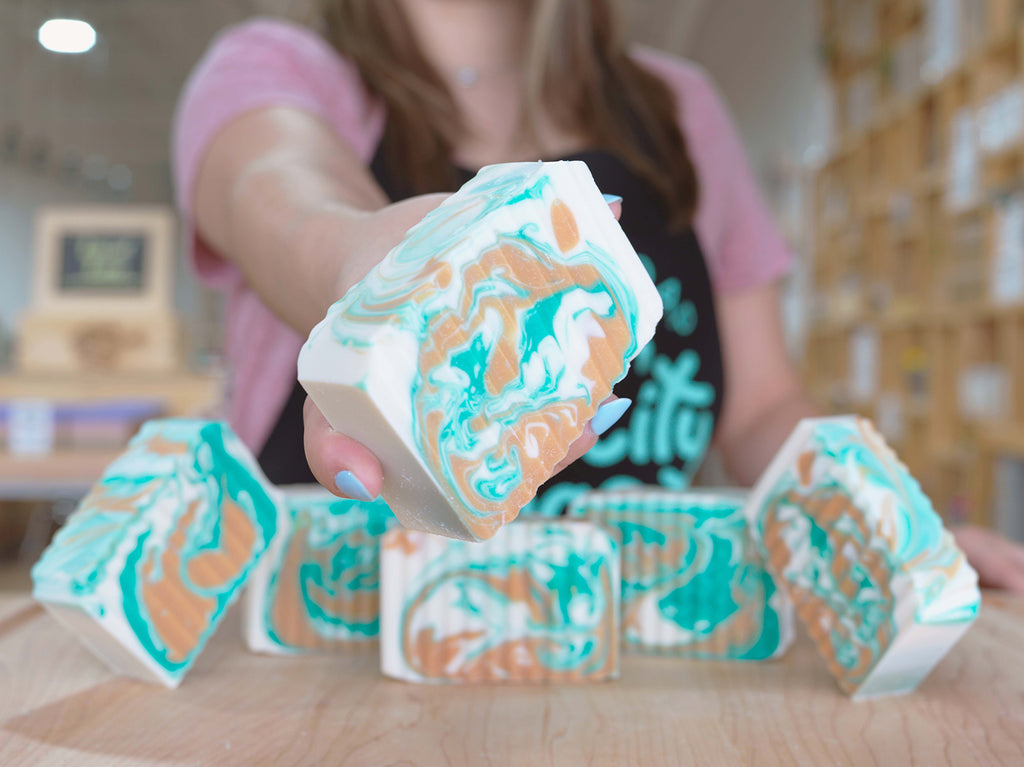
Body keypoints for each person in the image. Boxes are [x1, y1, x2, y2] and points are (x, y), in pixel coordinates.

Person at [173, 0, 1024, 594]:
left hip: (625, 656)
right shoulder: (276, 68)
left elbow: (764, 406)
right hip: (331, 658)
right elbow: (275, 186)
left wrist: (879, 516)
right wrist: (366, 269)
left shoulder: (675, 111)